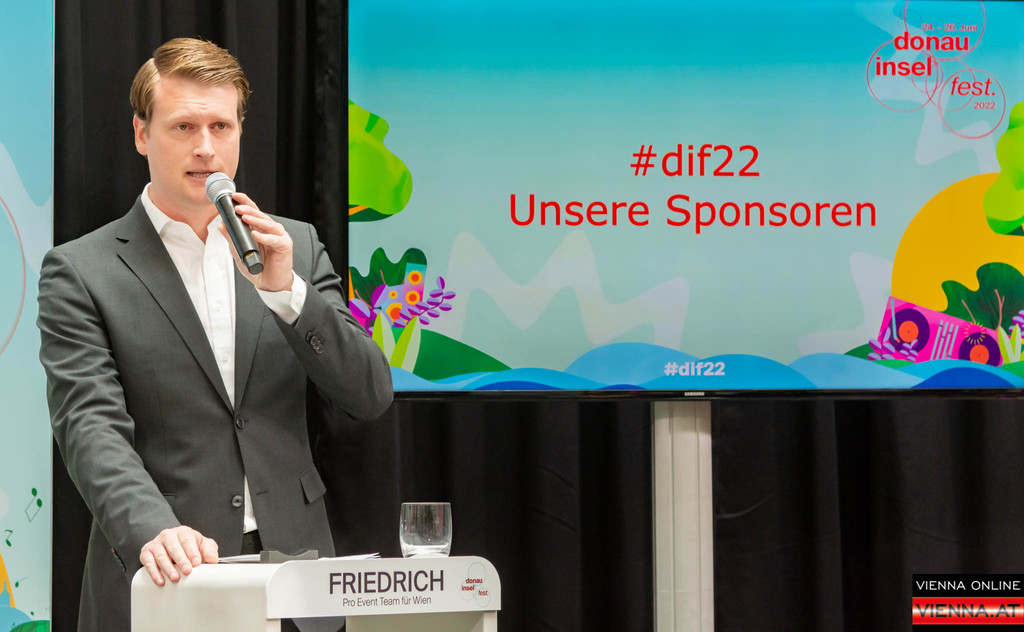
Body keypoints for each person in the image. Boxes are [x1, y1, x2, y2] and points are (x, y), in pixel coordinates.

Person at [37, 38, 393, 631]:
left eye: (221, 126)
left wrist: (288, 293)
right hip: (167, 574)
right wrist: (154, 530)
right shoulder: (82, 270)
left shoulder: (295, 246)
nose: (205, 147)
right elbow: (89, 425)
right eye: (183, 126)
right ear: (141, 134)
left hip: (296, 577)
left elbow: (369, 393)